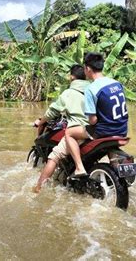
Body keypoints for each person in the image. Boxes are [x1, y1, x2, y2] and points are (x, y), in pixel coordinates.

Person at [65, 52, 129, 178]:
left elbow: (93, 120)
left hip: (103, 131)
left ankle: (79, 167)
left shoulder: (91, 88)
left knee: (69, 133)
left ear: (88, 69)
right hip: (122, 129)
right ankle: (115, 166)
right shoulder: (116, 83)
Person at [32, 65, 90, 193]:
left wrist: (40, 121)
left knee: (55, 156)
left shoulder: (69, 93)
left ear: (71, 77)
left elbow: (52, 112)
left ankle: (38, 188)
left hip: (78, 132)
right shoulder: (92, 90)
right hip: (96, 130)